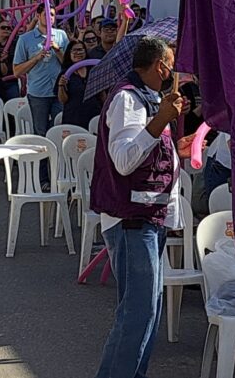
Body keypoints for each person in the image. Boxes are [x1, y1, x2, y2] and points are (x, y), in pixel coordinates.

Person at [90, 37, 188, 378]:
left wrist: (176, 148)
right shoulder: (128, 100)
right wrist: (160, 120)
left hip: (149, 220)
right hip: (133, 221)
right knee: (137, 311)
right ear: (160, 66)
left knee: (148, 310)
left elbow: (147, 153)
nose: (174, 71)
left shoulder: (149, 99)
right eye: (171, 64)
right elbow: (124, 160)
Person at [13, 4, 69, 136]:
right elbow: (16, 71)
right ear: (38, 16)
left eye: (52, 15)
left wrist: (57, 49)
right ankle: (43, 157)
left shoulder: (62, 36)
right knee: (40, 132)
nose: (50, 18)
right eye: (46, 14)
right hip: (38, 94)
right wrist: (36, 58)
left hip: (59, 93)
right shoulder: (25, 39)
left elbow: (69, 64)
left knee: (59, 131)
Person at [57, 40, 101, 129]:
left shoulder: (94, 70)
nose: (78, 53)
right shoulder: (65, 74)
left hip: (94, 117)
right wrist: (61, 86)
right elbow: (63, 100)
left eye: (81, 50)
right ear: (69, 53)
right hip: (73, 118)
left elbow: (101, 95)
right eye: (74, 50)